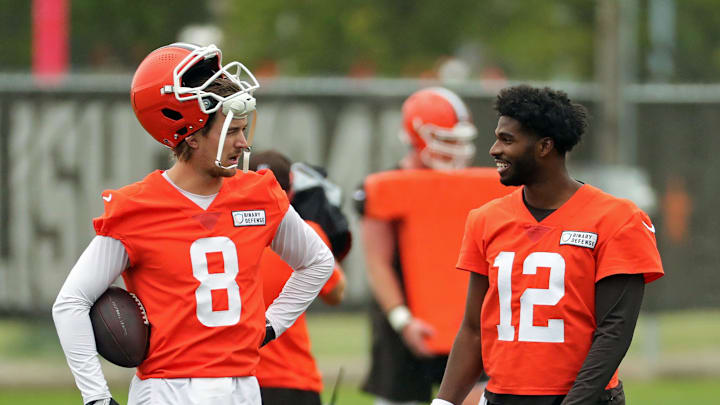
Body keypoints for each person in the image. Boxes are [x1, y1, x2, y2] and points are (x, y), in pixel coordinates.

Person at [52, 43, 334, 405]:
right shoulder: (138, 208)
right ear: (190, 132)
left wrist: (271, 324)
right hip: (168, 390)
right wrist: (97, 398)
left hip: (243, 388)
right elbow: (71, 302)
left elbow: (317, 262)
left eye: (243, 129)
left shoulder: (259, 193)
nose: (243, 143)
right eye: (231, 130)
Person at [433, 85, 665, 405]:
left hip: (582, 398)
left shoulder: (617, 218)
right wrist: (444, 402)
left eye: (507, 139)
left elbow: (614, 331)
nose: (494, 149)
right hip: (501, 396)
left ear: (544, 147)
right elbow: (474, 329)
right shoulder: (485, 219)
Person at [355, 87, 513, 405]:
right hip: (405, 318)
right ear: (417, 135)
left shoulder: (476, 187)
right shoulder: (387, 186)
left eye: (458, 139)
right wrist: (403, 320)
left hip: (462, 318)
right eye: (446, 139)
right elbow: (377, 262)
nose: (454, 149)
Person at [249, 150, 351, 405]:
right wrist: (326, 232)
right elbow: (337, 294)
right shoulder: (309, 233)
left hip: (233, 377)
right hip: (291, 379)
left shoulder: (221, 233)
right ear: (291, 190)